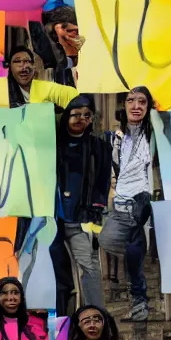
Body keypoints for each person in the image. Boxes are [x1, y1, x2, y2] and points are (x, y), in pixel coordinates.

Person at [49, 96, 109, 316]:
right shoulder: (53, 144)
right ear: (66, 116)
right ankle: (60, 318)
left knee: (88, 267)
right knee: (55, 271)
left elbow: (102, 182)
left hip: (80, 218)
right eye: (75, 114)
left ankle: (97, 316)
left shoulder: (98, 147)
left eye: (86, 115)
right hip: (51, 218)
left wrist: (96, 211)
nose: (80, 119)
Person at [98, 87, 154, 321]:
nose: (136, 106)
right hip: (119, 202)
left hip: (145, 201)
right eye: (131, 100)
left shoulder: (154, 136)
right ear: (124, 105)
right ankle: (137, 300)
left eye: (142, 101)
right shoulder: (114, 138)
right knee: (126, 246)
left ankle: (139, 300)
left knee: (135, 245)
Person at [0, 45, 77, 109]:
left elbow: (76, 98)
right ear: (10, 66)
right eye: (17, 61)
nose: (24, 67)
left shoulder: (46, 88)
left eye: (28, 61)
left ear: (34, 66)